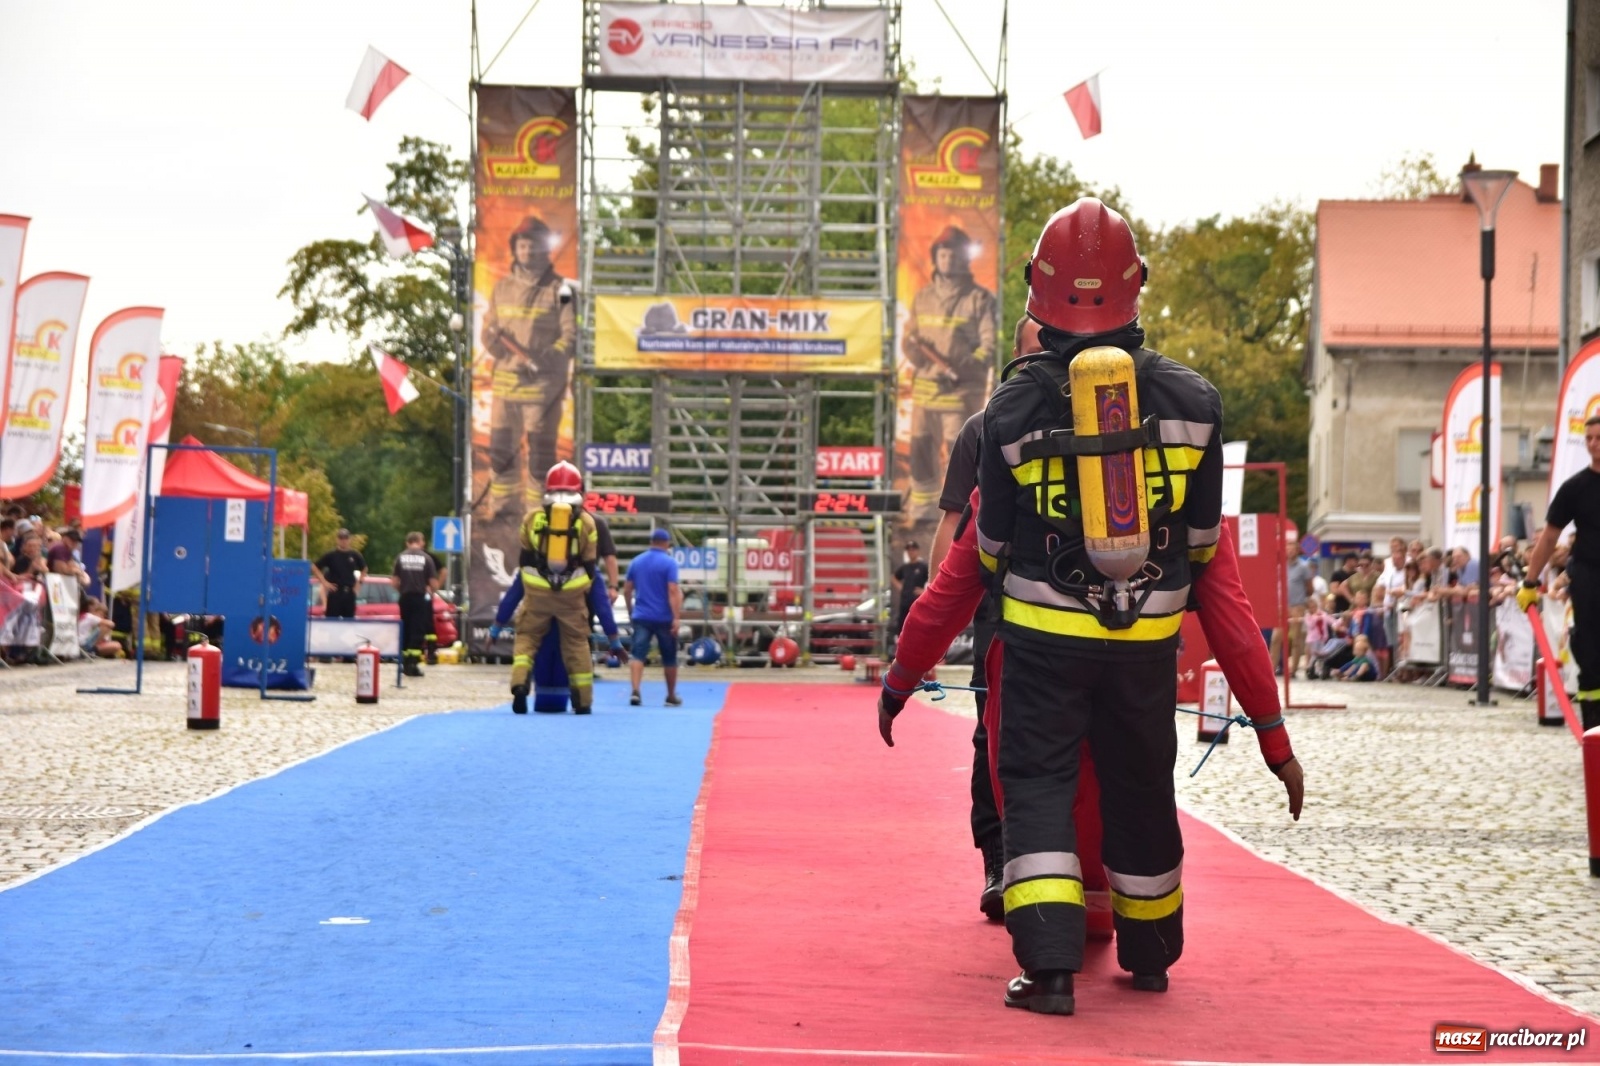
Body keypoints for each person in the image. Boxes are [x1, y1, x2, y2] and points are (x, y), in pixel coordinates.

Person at [974, 198, 1227, 1014]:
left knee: (1040, 783)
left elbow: (989, 548)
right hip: (1148, 642)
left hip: (1044, 641)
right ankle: (1150, 956)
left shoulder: (1006, 411)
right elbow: (1200, 541)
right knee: (1141, 783)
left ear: (1035, 291)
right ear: (1137, 287)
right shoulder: (1197, 403)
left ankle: (1049, 971)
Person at [901, 225, 997, 541]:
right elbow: (910, 339)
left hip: (959, 395)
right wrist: (919, 355)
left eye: (954, 254)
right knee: (920, 451)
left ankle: (963, 517)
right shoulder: (923, 297)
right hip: (925, 394)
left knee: (959, 455)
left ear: (963, 260)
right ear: (935, 258)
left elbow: (988, 346)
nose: (948, 260)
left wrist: (963, 364)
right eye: (942, 254)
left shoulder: (979, 299)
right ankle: (923, 513)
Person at [481, 214, 577, 517]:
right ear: (515, 248)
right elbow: (489, 327)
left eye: (532, 245)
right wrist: (491, 340)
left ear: (543, 249)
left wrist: (546, 358)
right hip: (506, 386)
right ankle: (502, 508)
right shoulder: (502, 288)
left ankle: (537, 512)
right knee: (500, 450)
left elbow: (571, 335)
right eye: (522, 245)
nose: (527, 251)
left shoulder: (560, 289)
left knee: (541, 454)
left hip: (543, 390)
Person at [1519, 413, 1600, 731]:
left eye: (1599, 437)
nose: (1593, 444)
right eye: (1588, 438)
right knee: (1590, 653)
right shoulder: (1575, 488)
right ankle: (1594, 731)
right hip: (1588, 575)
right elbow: (1549, 537)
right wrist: (1529, 581)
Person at [510, 460, 600, 714]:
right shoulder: (587, 523)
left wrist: (539, 582)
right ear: (578, 488)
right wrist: (575, 587)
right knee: (576, 644)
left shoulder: (532, 518)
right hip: (572, 594)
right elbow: (590, 566)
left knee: (527, 640)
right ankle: (582, 702)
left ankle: (519, 686)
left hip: (537, 591)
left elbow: (525, 559)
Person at [623, 527, 683, 707]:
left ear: (651, 542)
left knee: (638, 654)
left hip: (642, 615)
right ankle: (671, 695)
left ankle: (635, 691)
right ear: (666, 544)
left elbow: (627, 589)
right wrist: (676, 617)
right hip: (664, 617)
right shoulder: (669, 563)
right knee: (669, 658)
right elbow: (672, 590)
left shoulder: (636, 562)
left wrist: (630, 610)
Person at [390, 532, 439, 677]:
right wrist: (430, 591)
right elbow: (433, 583)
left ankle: (404, 662)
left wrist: (403, 590)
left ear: (408, 542)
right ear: (419, 541)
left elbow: (394, 582)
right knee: (417, 631)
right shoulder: (426, 558)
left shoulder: (400, 557)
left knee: (406, 629)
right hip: (419, 599)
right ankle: (412, 664)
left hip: (405, 598)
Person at [1268, 529, 1314, 678]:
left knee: (1295, 639)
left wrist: (1301, 601)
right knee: (1276, 638)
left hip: (1297, 605)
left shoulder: (1303, 567)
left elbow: (1309, 588)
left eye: (1292, 548)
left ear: (1297, 550)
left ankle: (1292, 669)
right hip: (1282, 606)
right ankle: (1271, 667)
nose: (1289, 551)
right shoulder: (1281, 566)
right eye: (1287, 548)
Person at [313, 529, 366, 619]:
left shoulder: (354, 555)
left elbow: (364, 568)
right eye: (341, 538)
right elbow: (315, 567)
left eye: (345, 538)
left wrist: (359, 584)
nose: (343, 540)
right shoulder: (331, 555)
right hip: (335, 592)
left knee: (349, 623)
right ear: (337, 540)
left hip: (349, 592)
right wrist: (324, 582)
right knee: (332, 622)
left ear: (349, 539)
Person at [891, 540, 928, 638]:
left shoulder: (923, 566)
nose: (911, 552)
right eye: (909, 550)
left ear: (918, 551)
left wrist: (925, 591)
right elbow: (894, 577)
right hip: (905, 603)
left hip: (917, 603)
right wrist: (900, 587)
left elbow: (934, 579)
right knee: (903, 628)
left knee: (917, 628)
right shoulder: (905, 567)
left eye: (913, 550)